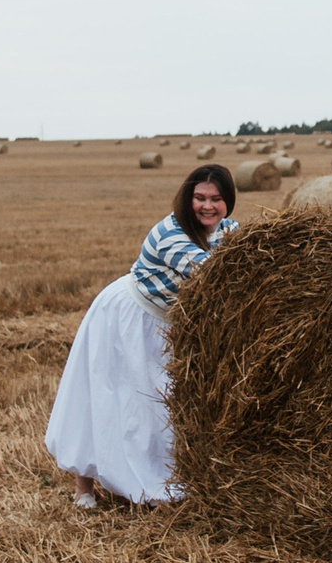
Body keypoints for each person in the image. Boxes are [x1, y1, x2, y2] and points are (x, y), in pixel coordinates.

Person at [43, 164, 236, 507]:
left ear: (228, 202)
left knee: (158, 409)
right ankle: (83, 489)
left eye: (216, 199)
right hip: (128, 317)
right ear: (187, 198)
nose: (208, 206)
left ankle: (154, 480)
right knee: (104, 395)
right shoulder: (172, 235)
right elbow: (217, 274)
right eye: (200, 198)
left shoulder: (227, 230)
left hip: (168, 324)